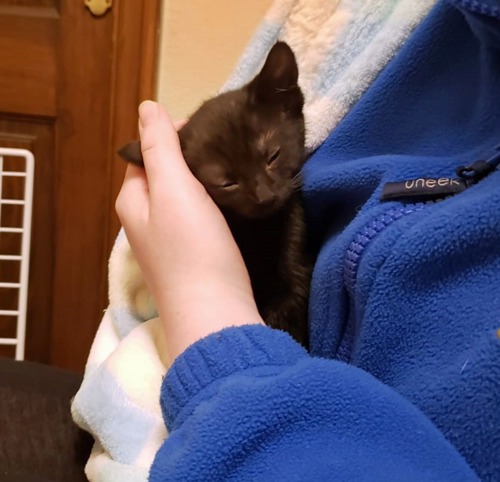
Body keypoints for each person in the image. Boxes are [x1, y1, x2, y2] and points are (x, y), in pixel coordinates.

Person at [116, 1, 500, 480]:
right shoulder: (421, 31)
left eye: (272, 158)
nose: (262, 192)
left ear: (291, 107)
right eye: (229, 183)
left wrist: (202, 301)